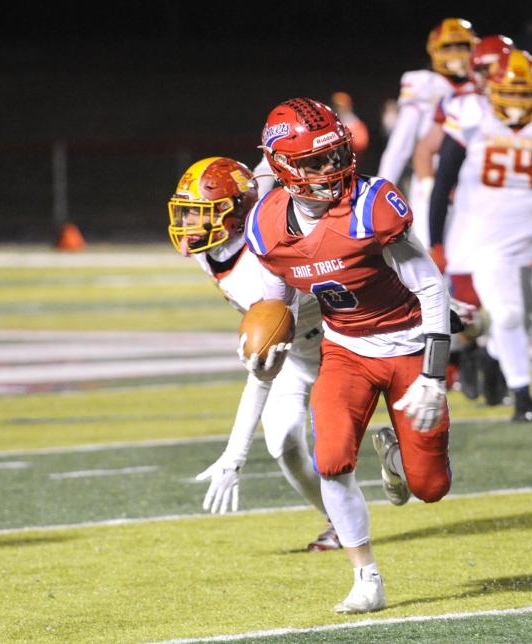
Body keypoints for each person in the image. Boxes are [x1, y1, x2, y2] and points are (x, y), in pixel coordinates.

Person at [244, 97, 453, 613]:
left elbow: (431, 288)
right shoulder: (268, 224)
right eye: (315, 162)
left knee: (431, 489)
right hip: (347, 349)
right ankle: (367, 579)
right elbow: (276, 300)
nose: (331, 169)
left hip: (408, 345)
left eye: (336, 155)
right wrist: (264, 351)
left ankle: (399, 461)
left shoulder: (371, 204)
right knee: (332, 460)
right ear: (284, 167)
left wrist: (434, 375)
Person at [166, 157, 339, 551]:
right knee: (285, 446)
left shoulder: (264, 262)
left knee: (339, 446)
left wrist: (235, 453)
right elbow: (264, 168)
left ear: (232, 215)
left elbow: (261, 373)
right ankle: (339, 522)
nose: (188, 221)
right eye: (188, 211)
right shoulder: (214, 239)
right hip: (297, 354)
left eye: (198, 211)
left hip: (342, 344)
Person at [428, 49, 532, 422]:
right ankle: (523, 396)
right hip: (485, 239)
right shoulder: (471, 115)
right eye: (509, 93)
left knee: (522, 320)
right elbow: (442, 182)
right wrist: (436, 240)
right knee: (505, 314)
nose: (515, 103)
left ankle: (493, 362)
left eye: (524, 93)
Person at [413, 34, 516, 405]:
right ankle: (463, 359)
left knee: (511, 304)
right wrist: (429, 192)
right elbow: (426, 150)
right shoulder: (462, 105)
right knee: (460, 296)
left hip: (509, 220)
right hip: (466, 216)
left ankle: (495, 363)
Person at [377, 17, 477, 247]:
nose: (456, 53)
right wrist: (381, 190)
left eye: (462, 46)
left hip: (472, 180)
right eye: (448, 47)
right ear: (434, 50)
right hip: (431, 175)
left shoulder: (481, 86)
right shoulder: (423, 82)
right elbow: (400, 145)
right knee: (431, 249)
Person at [331, 91, 370, 157]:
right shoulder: (334, 121)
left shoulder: (355, 123)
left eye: (342, 106)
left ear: (349, 107)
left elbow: (361, 144)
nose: (339, 109)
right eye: (337, 106)